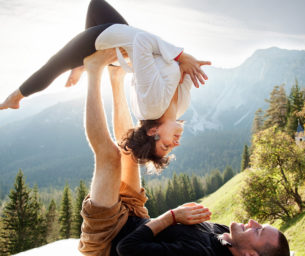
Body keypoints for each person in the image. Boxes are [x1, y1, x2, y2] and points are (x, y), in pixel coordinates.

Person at [78, 49, 290, 256]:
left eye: (258, 230)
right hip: (137, 216)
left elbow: (126, 249)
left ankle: (94, 70)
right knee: (129, 152)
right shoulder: (227, 235)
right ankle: (116, 76)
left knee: (111, 158)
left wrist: (172, 216)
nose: (252, 222)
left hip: (108, 238)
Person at [0, 0, 211, 171]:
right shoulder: (179, 107)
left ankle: (16, 97)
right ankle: (80, 63)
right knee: (96, 5)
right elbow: (186, 73)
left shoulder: (153, 105)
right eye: (170, 147)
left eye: (165, 145)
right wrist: (184, 64)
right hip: (124, 42)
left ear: (152, 130)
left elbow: (143, 43)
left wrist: (181, 55)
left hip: (106, 39)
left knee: (55, 64)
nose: (176, 143)